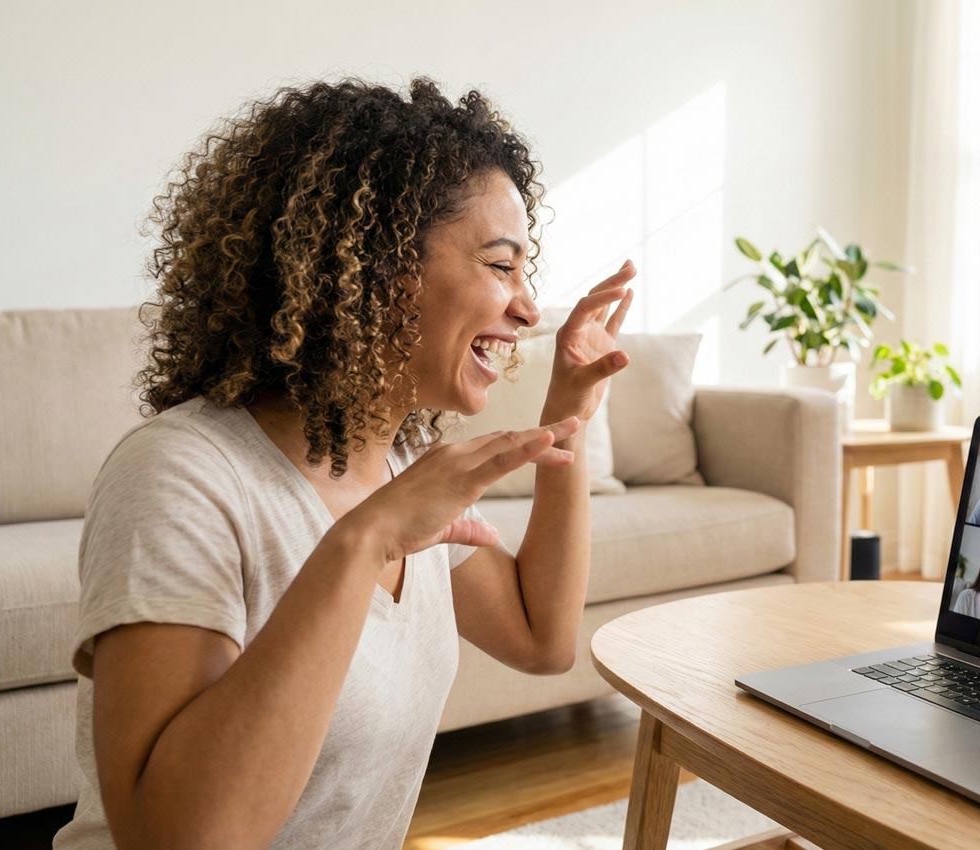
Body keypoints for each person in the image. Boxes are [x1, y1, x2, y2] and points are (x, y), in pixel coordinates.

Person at [53, 79, 637, 850]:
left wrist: (571, 413)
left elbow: (541, 639)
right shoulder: (181, 476)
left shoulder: (401, 467)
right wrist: (364, 541)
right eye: (501, 266)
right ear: (376, 264)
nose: (529, 308)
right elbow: (177, 838)